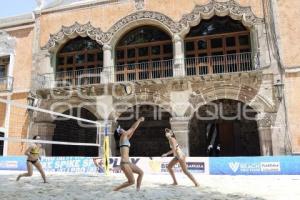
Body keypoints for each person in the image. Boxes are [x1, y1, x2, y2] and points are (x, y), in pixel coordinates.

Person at [113, 117, 144, 191]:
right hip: (124, 163)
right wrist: (139, 120)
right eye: (121, 129)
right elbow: (132, 128)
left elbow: (133, 129)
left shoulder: (125, 138)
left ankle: (138, 190)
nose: (123, 129)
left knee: (141, 173)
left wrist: (138, 122)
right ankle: (115, 189)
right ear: (120, 133)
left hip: (128, 163)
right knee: (131, 181)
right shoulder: (123, 137)